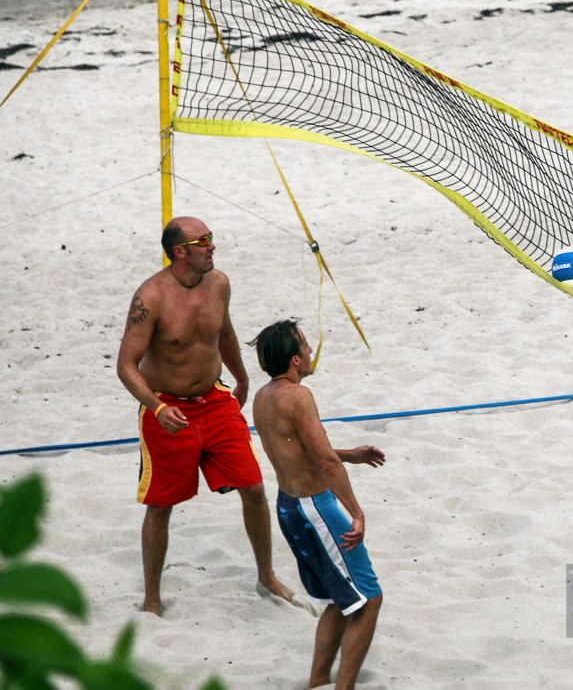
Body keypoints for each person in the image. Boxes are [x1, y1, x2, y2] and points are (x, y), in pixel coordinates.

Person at [116, 216, 295, 616]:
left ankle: (266, 575)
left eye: (211, 238)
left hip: (214, 401)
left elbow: (225, 334)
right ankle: (153, 598)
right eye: (204, 240)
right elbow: (126, 365)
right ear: (180, 252)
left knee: (253, 488)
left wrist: (242, 378)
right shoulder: (151, 297)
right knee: (160, 506)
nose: (213, 245)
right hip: (167, 407)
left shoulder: (219, 283)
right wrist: (157, 407)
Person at [250, 320, 385, 690]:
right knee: (369, 599)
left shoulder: (263, 397)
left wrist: (349, 455)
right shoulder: (299, 396)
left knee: (339, 602)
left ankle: (317, 681)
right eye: (307, 346)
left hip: (288, 507)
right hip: (315, 510)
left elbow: (295, 450)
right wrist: (356, 512)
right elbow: (324, 463)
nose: (311, 352)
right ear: (295, 360)